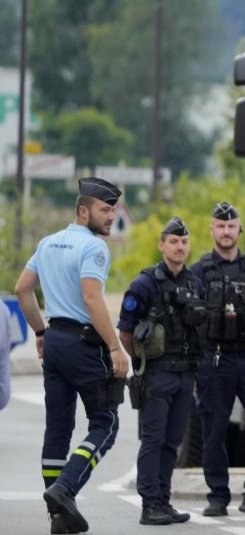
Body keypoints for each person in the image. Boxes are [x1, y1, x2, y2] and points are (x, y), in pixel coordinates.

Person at [15, 177, 131, 535]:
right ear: (84, 211)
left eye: (112, 209)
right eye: (104, 209)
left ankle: (59, 518)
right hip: (83, 346)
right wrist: (115, 347)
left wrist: (40, 332)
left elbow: (22, 289)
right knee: (106, 424)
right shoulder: (94, 249)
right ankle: (65, 488)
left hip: (55, 343)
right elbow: (93, 299)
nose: (111, 216)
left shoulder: (48, 243)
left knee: (58, 429)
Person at [118, 216, 206, 525]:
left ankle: (164, 500)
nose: (180, 246)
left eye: (184, 242)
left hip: (185, 375)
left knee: (173, 442)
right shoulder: (145, 284)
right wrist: (141, 362)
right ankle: (149, 504)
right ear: (161, 245)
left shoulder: (195, 282)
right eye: (173, 241)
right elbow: (125, 332)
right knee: (153, 440)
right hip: (157, 374)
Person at [190, 202, 245, 517]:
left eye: (231, 226)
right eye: (220, 226)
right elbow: (188, 322)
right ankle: (217, 496)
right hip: (215, 360)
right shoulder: (198, 271)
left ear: (239, 229)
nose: (225, 232)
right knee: (214, 430)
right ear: (212, 229)